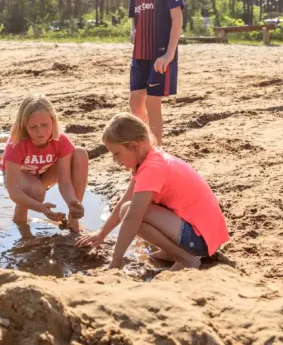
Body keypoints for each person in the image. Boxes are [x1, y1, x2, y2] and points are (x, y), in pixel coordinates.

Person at [76, 113, 229, 271]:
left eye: (117, 154)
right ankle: (175, 252)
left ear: (134, 146)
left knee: (131, 212)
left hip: (200, 240)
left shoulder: (152, 168)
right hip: (207, 235)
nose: (115, 160)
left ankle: (186, 259)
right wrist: (101, 233)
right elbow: (125, 199)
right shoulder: (150, 158)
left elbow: (132, 216)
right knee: (127, 208)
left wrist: (116, 259)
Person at [0, 95, 89, 232]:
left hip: (44, 174)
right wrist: (41, 208)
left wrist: (72, 200)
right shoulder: (16, 143)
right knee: (36, 191)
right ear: (24, 126)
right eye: (33, 127)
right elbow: (14, 191)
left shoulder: (60, 140)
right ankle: (20, 222)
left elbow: (64, 182)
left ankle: (74, 217)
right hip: (19, 178)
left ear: (53, 121)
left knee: (80, 154)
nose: (40, 132)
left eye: (45, 125)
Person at [126, 0, 184, 146]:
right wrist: (133, 30)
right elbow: (134, 15)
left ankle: (157, 148)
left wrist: (169, 53)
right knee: (135, 102)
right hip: (139, 53)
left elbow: (177, 17)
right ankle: (143, 145)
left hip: (160, 53)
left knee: (152, 100)